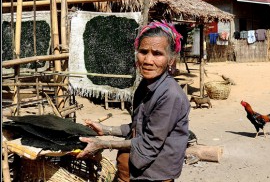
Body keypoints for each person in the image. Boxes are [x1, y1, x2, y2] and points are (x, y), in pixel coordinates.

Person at [76, 21, 191, 182]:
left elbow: (149, 142)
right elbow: (139, 126)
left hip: (153, 175)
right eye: (143, 52)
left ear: (171, 60)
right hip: (132, 172)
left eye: (157, 54)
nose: (148, 60)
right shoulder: (145, 85)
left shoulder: (170, 95)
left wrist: (103, 144)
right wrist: (106, 129)